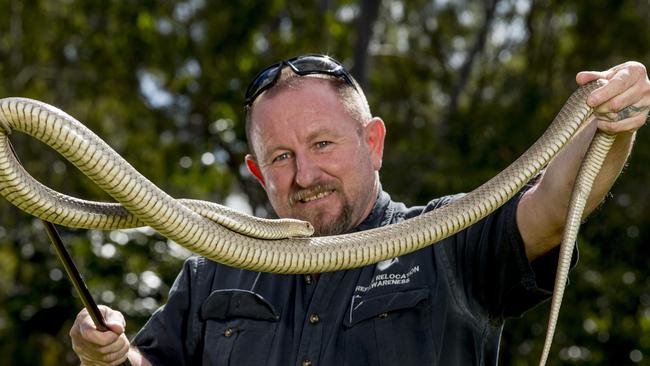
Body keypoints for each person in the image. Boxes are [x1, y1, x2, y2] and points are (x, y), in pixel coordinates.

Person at [69, 54, 649, 365]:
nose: (304, 175)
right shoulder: (211, 270)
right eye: (281, 156)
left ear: (373, 143)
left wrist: (612, 123)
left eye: (323, 145)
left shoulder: (443, 238)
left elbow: (552, 206)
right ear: (256, 171)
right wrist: (111, 356)